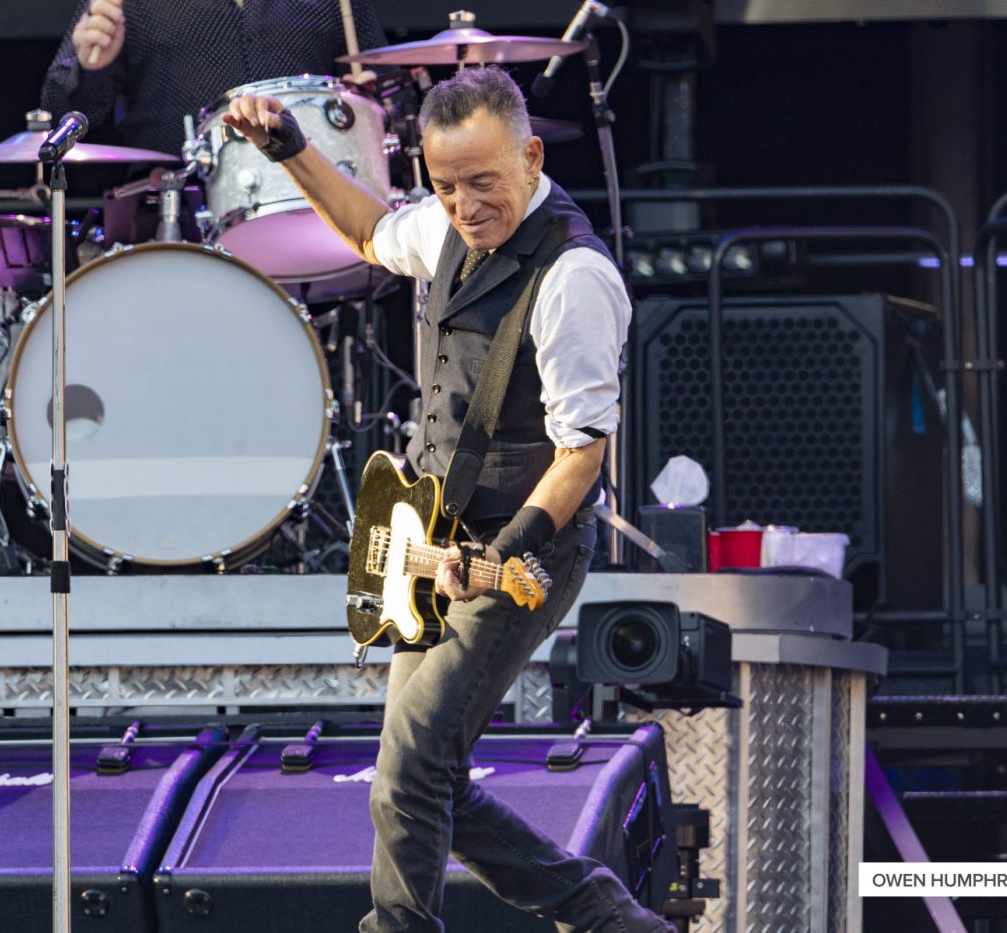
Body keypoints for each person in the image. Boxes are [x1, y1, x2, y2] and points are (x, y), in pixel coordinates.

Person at [223, 67, 672, 933]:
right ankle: (614, 922)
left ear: (532, 157)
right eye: (445, 185)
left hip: (524, 552)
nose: (464, 206)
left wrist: (502, 555)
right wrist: (291, 149)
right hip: (429, 544)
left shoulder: (574, 276)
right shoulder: (444, 223)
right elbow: (369, 232)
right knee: (425, 781)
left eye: (482, 182)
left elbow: (583, 455)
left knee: (408, 770)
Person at [40, 0, 387, 155]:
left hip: (318, 199)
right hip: (176, 214)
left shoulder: (337, 2)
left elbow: (386, 88)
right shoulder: (125, 4)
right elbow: (60, 117)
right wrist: (92, 69)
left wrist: (369, 103)